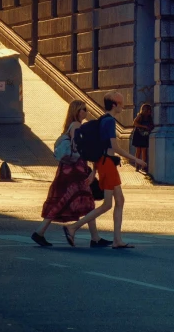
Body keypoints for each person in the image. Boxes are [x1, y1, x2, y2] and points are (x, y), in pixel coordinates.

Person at [62, 91, 146, 249]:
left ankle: (117, 240)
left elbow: (99, 146)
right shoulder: (109, 122)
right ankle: (72, 228)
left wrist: (95, 170)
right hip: (107, 164)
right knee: (107, 204)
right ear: (114, 105)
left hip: (106, 164)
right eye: (121, 104)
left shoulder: (103, 120)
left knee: (119, 201)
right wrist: (135, 159)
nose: (123, 106)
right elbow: (114, 147)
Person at [31, 100, 110, 248]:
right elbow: (78, 147)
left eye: (86, 109)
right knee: (83, 202)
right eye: (83, 109)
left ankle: (94, 238)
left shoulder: (70, 126)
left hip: (69, 170)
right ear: (76, 111)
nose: (86, 112)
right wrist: (93, 167)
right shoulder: (76, 126)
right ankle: (94, 238)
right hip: (75, 172)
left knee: (73, 202)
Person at [132, 103, 154, 173]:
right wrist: (144, 127)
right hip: (138, 134)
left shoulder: (149, 117)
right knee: (138, 150)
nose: (150, 112)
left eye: (150, 110)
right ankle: (137, 165)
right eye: (148, 110)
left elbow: (151, 125)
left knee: (144, 150)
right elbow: (135, 123)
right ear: (145, 110)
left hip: (145, 134)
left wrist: (150, 128)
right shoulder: (140, 116)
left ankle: (143, 166)